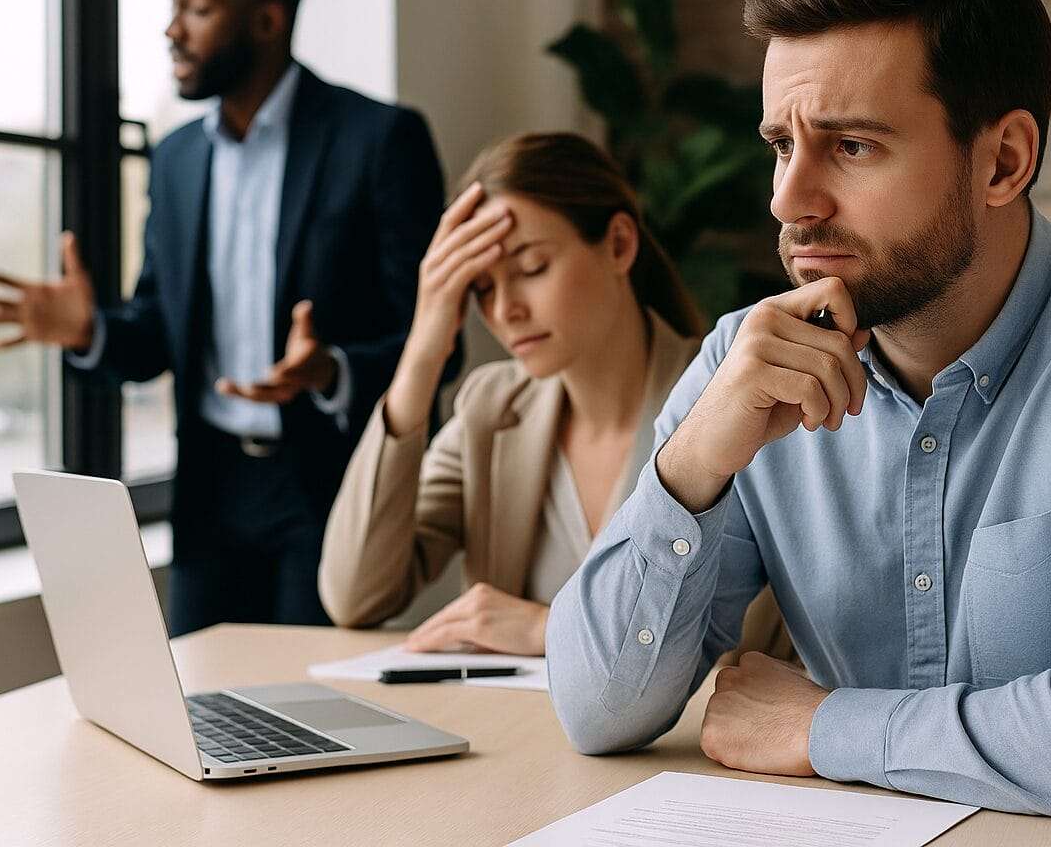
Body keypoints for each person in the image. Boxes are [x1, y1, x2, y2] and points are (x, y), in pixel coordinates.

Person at [546, 0, 1051, 823]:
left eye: (852, 146)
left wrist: (825, 727)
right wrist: (694, 460)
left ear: (1004, 162)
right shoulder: (746, 364)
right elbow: (596, 708)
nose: (791, 199)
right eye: (781, 144)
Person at [0, 0, 449, 634]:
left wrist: (330, 370)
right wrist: (90, 331)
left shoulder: (378, 139)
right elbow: (157, 331)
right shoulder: (178, 158)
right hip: (211, 491)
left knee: (319, 722)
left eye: (196, 7)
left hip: (331, 487)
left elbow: (434, 343)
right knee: (202, 715)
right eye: (172, 6)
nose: (171, 30)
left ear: (267, 19)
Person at [318, 133, 790, 661]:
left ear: (618, 244)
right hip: (514, 737)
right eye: (483, 289)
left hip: (687, 743)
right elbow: (355, 595)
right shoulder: (490, 410)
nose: (506, 311)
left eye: (530, 269)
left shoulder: (735, 403)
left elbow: (756, 637)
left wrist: (550, 630)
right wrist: (423, 351)